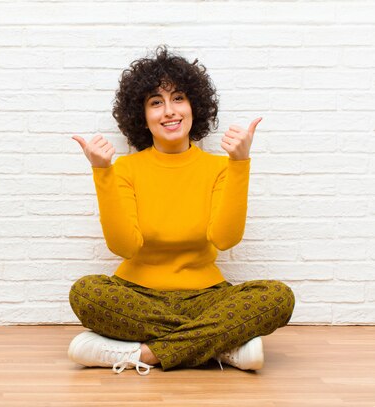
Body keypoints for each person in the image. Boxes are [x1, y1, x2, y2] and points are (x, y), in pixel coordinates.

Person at [68, 45, 295, 375]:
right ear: (142, 116)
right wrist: (102, 172)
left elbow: (224, 238)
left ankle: (143, 354)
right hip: (136, 295)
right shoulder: (125, 169)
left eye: (178, 98)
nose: (169, 111)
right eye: (156, 103)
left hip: (205, 296)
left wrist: (239, 164)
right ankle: (223, 345)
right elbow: (124, 247)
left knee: (278, 297)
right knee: (86, 293)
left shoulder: (220, 167)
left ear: (194, 107)